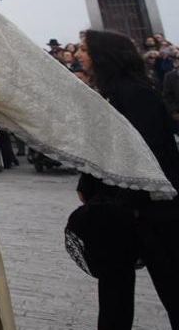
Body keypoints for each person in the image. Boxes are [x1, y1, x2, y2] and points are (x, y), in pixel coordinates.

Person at [76, 30, 179, 329]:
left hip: (150, 210)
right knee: (114, 289)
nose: (81, 54)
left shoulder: (136, 93)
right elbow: (101, 149)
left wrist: (127, 200)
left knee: (170, 282)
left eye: (85, 48)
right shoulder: (106, 93)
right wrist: (89, 185)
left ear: (104, 54)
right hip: (116, 208)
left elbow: (149, 152)